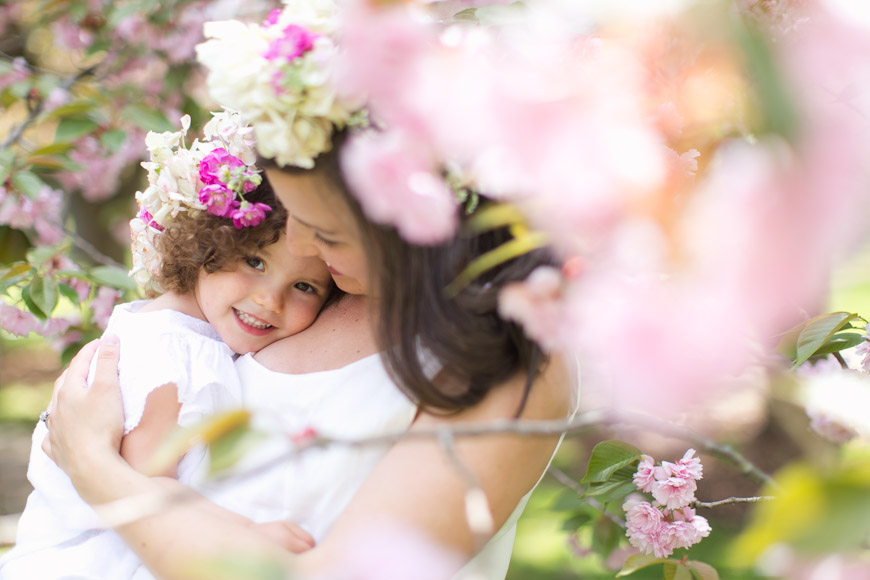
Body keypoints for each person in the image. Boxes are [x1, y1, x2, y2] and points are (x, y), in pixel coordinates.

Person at [39, 4, 578, 579]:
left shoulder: (507, 357)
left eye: (325, 233)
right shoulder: (313, 296)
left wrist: (98, 472)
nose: (299, 245)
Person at [0, 112, 334, 579]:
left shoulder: (165, 325)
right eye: (254, 261)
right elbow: (144, 484)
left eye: (305, 287)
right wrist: (245, 534)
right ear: (204, 244)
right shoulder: (177, 355)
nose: (270, 299)